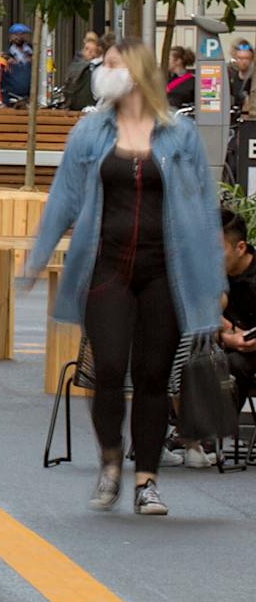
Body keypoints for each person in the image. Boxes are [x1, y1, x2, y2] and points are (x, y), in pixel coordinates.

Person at [24, 38, 223, 516]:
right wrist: (37, 256)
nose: (102, 71)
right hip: (107, 267)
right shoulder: (90, 132)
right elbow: (64, 196)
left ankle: (147, 481)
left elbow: (203, 210)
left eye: (111, 64)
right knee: (110, 369)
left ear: (135, 73)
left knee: (154, 377)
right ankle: (111, 460)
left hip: (165, 271)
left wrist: (214, 284)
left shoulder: (180, 134)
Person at [218, 210, 256, 411]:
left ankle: (216, 425)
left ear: (240, 248)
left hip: (248, 354)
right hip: (221, 346)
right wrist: (226, 337)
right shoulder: (211, 274)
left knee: (233, 364)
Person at [61, 31, 104, 111]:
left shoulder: (91, 68)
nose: (88, 52)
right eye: (86, 48)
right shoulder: (83, 66)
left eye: (90, 50)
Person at [0, 24, 33, 107]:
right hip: (11, 98)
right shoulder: (5, 55)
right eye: (16, 34)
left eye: (22, 34)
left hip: (29, 98)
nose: (19, 37)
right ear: (10, 37)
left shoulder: (32, 52)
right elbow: (0, 79)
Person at [166, 45, 197, 111]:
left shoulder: (192, 83)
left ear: (178, 61)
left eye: (168, 59)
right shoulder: (168, 79)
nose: (167, 62)